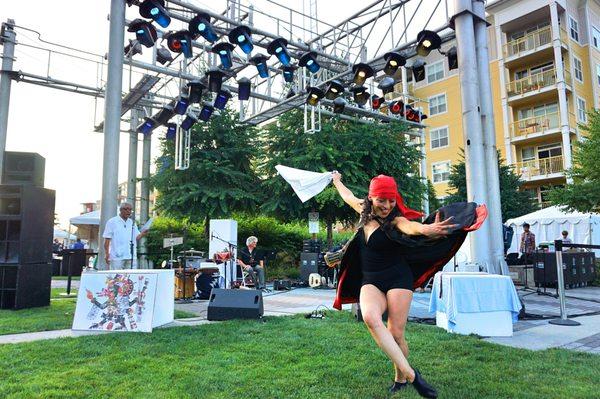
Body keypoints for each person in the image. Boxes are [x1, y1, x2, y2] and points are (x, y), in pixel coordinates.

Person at [331, 172, 487, 398]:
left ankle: (400, 379)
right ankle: (414, 376)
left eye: (391, 200)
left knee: (396, 333)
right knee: (370, 318)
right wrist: (336, 180)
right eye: (382, 200)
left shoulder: (396, 220)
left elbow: (412, 227)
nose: (386, 206)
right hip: (371, 279)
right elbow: (347, 196)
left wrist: (427, 230)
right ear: (371, 198)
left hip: (397, 278)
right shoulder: (363, 212)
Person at [102, 202, 148, 269]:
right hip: (117, 256)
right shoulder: (112, 222)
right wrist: (107, 254)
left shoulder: (132, 222)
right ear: (121, 210)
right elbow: (107, 239)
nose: (128, 211)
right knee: (117, 277)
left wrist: (143, 234)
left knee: (131, 277)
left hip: (131, 255)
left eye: (130, 210)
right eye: (126, 209)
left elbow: (136, 238)